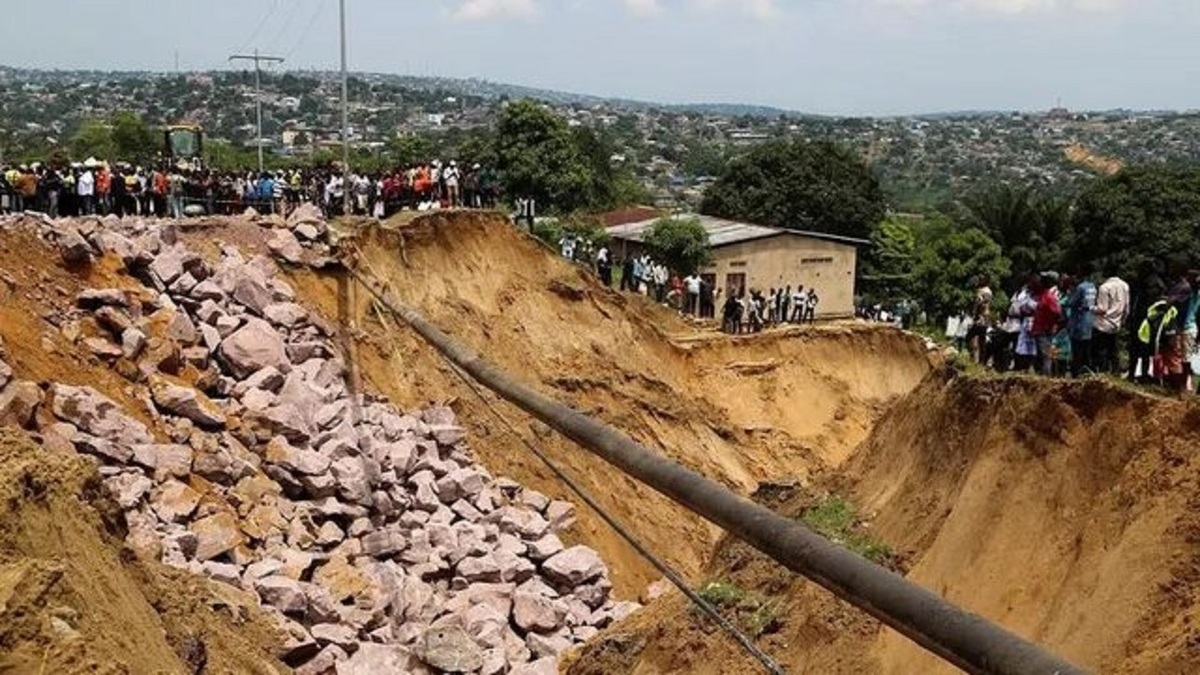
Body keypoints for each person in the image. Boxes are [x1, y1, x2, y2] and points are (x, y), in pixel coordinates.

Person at [1092, 264, 1130, 375]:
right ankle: (1115, 371)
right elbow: (1127, 308)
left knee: (1101, 350)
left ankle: (1103, 372)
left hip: (1103, 323)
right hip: (1116, 323)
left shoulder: (1104, 287)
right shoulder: (1125, 286)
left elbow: (1102, 309)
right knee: (1113, 349)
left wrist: (1091, 308)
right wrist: (1122, 321)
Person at [1030, 272, 1064, 376]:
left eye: (1041, 280)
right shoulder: (1044, 295)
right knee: (1041, 358)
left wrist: (1049, 325)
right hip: (1040, 331)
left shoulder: (1049, 297)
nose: (1038, 281)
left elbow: (1057, 313)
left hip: (1044, 332)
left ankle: (1046, 380)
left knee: (1046, 358)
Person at [1067, 266, 1097, 377]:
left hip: (1079, 322)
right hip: (1089, 321)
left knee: (1077, 351)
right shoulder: (1093, 287)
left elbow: (1072, 302)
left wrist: (1070, 293)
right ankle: (1086, 372)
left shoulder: (1080, 287)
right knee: (1086, 351)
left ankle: (1076, 374)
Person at [968, 275, 994, 364]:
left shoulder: (986, 291)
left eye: (980, 279)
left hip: (982, 317)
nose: (978, 281)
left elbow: (982, 303)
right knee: (980, 339)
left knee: (973, 337)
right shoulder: (982, 290)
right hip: (981, 317)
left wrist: (976, 315)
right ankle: (979, 360)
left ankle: (979, 360)